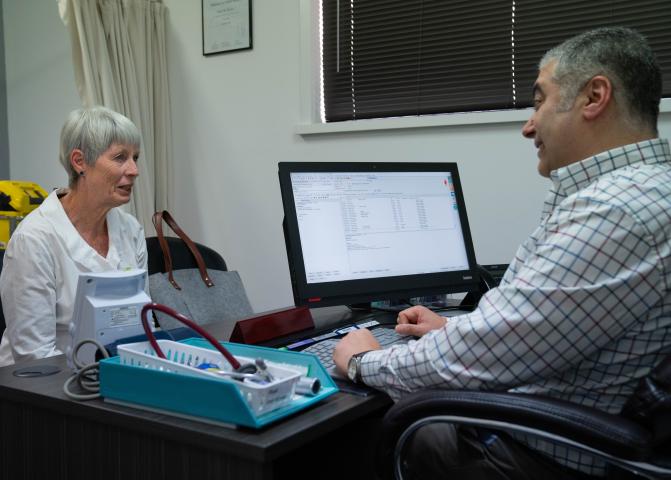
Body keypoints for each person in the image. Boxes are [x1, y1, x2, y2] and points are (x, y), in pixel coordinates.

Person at [334, 26, 671, 478]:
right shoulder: (649, 191)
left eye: (539, 101)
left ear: (594, 97)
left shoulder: (616, 210)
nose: (528, 125)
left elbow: (480, 358)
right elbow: (540, 327)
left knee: (350, 434)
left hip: (544, 453)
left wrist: (361, 361)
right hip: (589, 422)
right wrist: (466, 329)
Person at [0, 106, 147, 367]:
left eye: (135, 157)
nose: (134, 169)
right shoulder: (34, 239)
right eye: (120, 157)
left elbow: (141, 322)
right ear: (79, 162)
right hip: (39, 389)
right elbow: (34, 356)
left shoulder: (130, 230)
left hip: (109, 373)